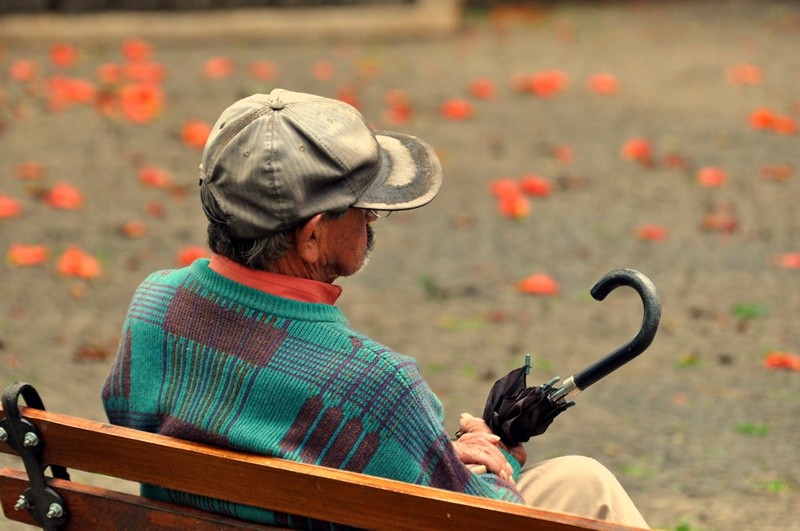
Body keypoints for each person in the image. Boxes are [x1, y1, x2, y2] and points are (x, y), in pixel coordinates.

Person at [102, 88, 649, 529]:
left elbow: (130, 411)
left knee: (581, 482)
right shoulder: (374, 385)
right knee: (587, 494)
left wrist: (428, 454)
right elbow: (479, 516)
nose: (372, 218)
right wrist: (490, 454)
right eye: (363, 209)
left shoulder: (155, 308)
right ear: (311, 237)